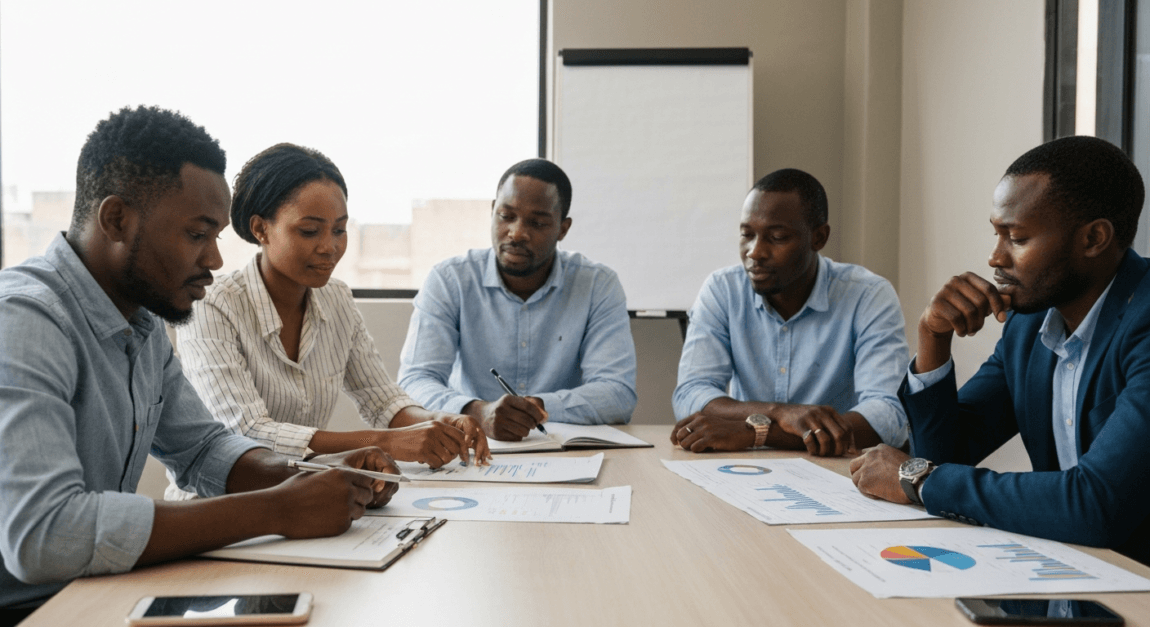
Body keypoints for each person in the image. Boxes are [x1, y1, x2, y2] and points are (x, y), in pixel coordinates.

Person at [0, 107, 399, 619]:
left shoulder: (142, 324)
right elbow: (47, 535)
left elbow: (203, 449)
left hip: (99, 592)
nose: (213, 259)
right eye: (197, 234)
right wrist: (276, 508)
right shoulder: (25, 321)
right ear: (117, 219)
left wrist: (313, 474)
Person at [849, 136, 1150, 565]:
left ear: (1094, 238)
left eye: (1017, 238)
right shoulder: (1028, 326)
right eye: (996, 234)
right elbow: (944, 456)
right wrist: (932, 337)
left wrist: (919, 481)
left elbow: (1096, 504)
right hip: (1073, 574)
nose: (994, 258)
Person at [166, 144, 490, 500]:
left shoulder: (336, 299)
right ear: (261, 229)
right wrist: (385, 442)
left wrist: (437, 422)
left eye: (339, 230)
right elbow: (248, 432)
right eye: (309, 231)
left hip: (302, 498)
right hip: (221, 506)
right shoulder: (213, 307)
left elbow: (382, 401)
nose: (329, 247)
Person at [671, 168, 909, 457]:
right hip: (742, 466)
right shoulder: (723, 290)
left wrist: (756, 433)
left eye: (777, 237)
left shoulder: (868, 295)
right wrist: (778, 412)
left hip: (837, 470)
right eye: (747, 235)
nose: (755, 252)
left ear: (819, 238)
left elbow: (888, 414)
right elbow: (691, 392)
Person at [398, 159, 637, 441]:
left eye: (537, 222)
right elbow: (414, 383)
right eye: (506, 216)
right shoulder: (450, 280)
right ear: (492, 212)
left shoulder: (597, 284)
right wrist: (478, 411)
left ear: (563, 228)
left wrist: (535, 408)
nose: (517, 233)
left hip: (564, 449)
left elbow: (617, 393)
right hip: (472, 447)